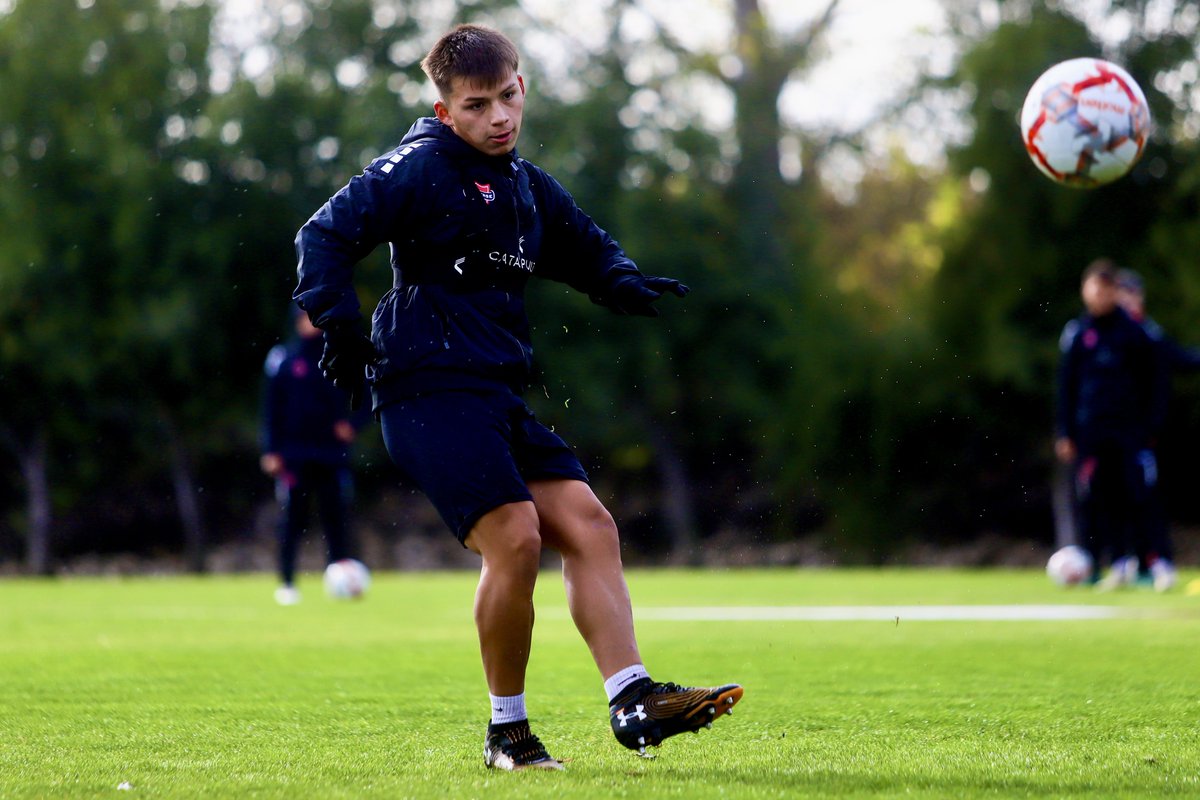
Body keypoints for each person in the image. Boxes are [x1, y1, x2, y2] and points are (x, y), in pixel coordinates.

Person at [293, 24, 742, 770]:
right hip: (424, 388)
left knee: (591, 526)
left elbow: (580, 240)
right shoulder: (420, 165)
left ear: (523, 87)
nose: (496, 117)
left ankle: (633, 699)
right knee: (517, 536)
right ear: (445, 112)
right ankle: (508, 734)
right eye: (475, 106)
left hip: (493, 391)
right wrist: (338, 323)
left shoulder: (526, 187)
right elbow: (323, 235)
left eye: (507, 97)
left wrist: (619, 278)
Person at [1055, 259, 1168, 589]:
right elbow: (1067, 386)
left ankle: (1144, 563)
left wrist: (1151, 425)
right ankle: (1101, 565)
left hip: (1128, 431)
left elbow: (1152, 381)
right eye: (1095, 289)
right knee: (1095, 500)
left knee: (1134, 494)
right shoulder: (1078, 332)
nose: (1100, 296)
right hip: (1091, 431)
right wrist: (1065, 431)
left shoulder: (1134, 331)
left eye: (1106, 290)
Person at [261, 308, 366, 605]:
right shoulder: (283, 358)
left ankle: (342, 579)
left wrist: (353, 424)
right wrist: (271, 449)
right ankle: (287, 582)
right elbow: (271, 409)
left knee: (336, 518)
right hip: (295, 455)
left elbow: (365, 392)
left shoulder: (338, 355)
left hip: (331, 454)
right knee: (293, 518)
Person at [1114, 268, 1200, 591]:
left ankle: (1156, 561)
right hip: (1116, 433)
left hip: (1145, 433)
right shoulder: (1106, 333)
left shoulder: (1148, 332)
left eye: (1133, 294)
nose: (1128, 300)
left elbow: (1180, 358)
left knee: (1146, 497)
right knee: (1118, 499)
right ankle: (1128, 563)